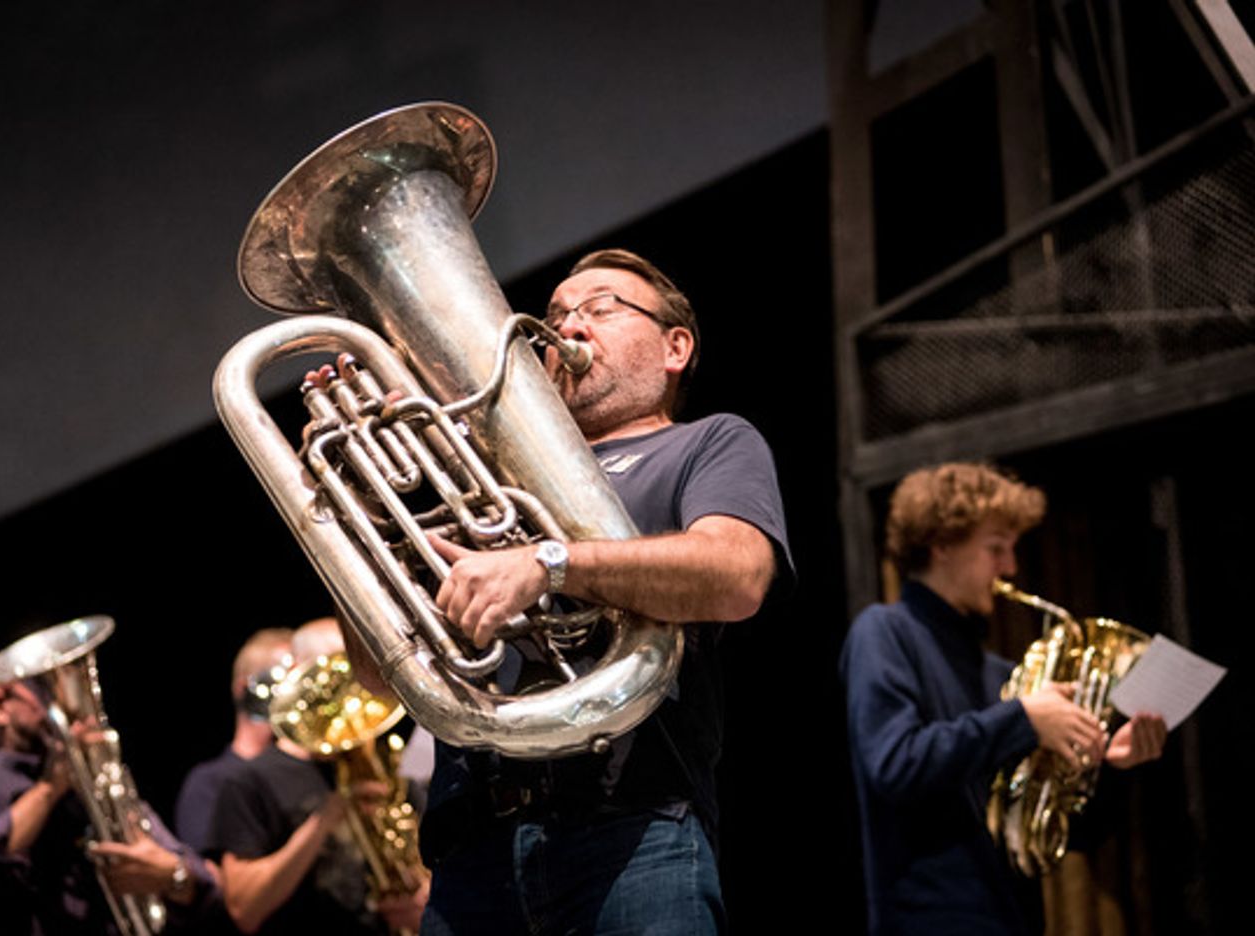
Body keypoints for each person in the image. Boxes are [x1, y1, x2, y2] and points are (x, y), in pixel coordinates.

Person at [405, 248, 791, 934]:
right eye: (555, 315)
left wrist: (549, 564)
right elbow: (381, 677)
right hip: (469, 856)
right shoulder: (482, 483)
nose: (566, 327)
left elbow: (738, 576)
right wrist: (346, 507)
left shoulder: (708, 443)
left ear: (675, 348)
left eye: (601, 308)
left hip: (631, 832)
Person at [839, 462, 1167, 936]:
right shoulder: (884, 633)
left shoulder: (1000, 673)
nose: (1010, 568)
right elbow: (894, 763)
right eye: (996, 549)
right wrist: (1022, 720)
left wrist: (1111, 765)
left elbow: (1060, 835)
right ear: (942, 544)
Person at [0, 676, 218, 935]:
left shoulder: (96, 789)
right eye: (44, 687)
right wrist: (49, 788)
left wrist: (175, 875)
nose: (62, 701)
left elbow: (211, 891)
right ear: (0, 706)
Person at [209, 619, 427, 936]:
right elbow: (244, 908)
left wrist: (425, 896)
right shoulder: (249, 780)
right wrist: (323, 821)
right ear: (299, 676)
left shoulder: (385, 767)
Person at [175, 627, 295, 855]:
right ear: (244, 688)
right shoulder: (211, 781)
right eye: (288, 678)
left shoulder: (315, 771)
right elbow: (211, 873)